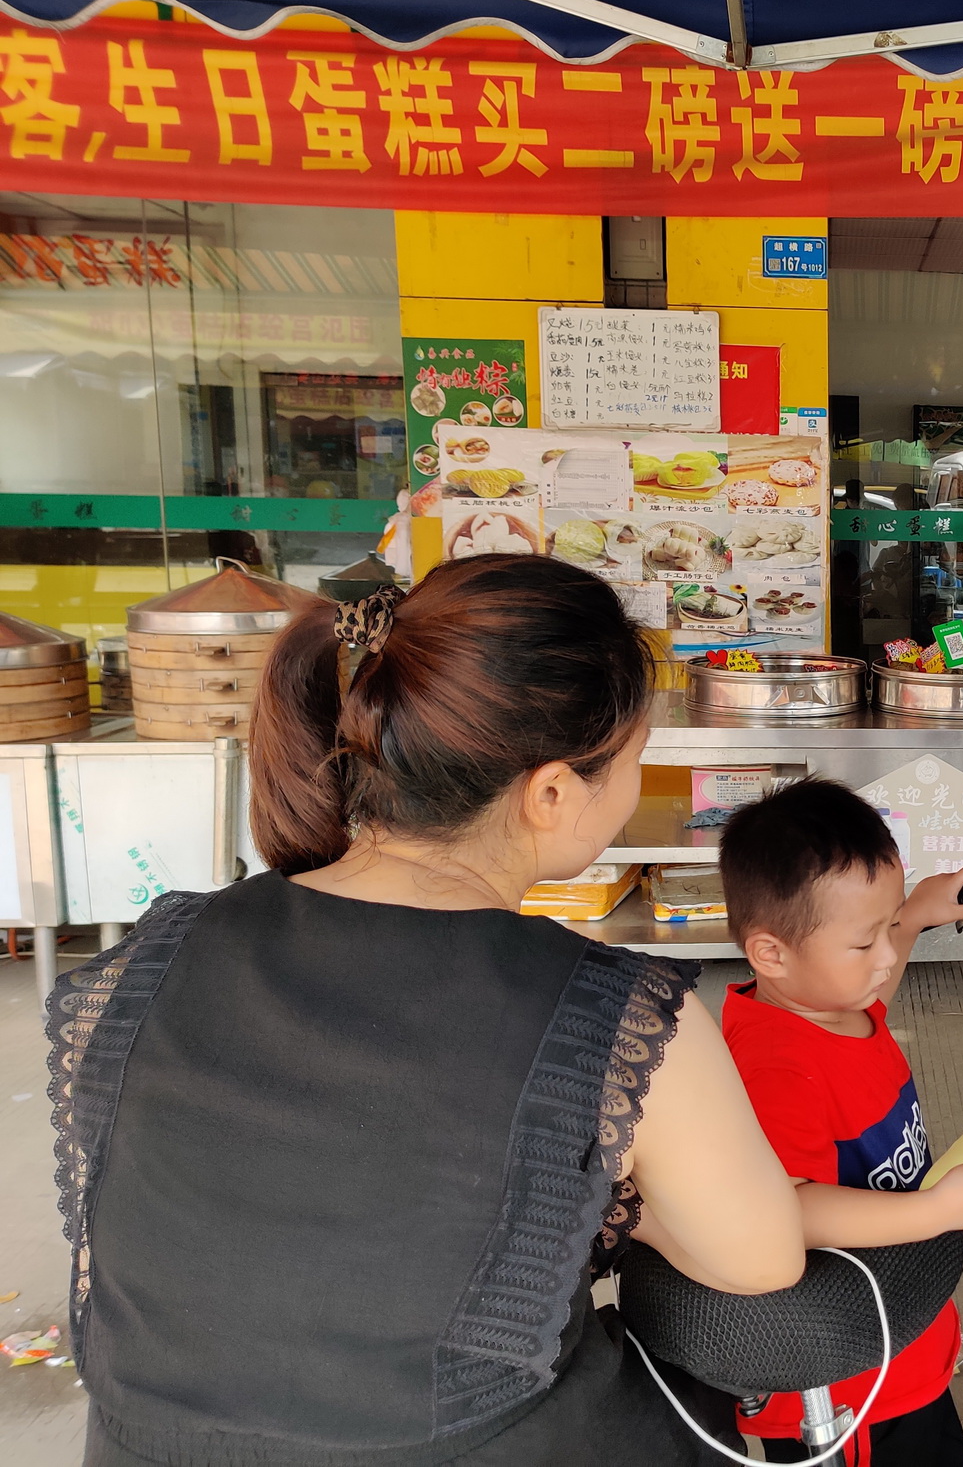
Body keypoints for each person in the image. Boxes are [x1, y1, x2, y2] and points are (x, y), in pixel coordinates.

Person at [47, 555, 805, 1466]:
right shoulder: (621, 1019)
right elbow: (758, 1262)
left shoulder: (149, 956)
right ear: (555, 791)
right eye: (636, 761)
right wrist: (601, 1190)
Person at [715, 778, 963, 1466]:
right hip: (847, 1383)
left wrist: (916, 918)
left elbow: (869, 1002)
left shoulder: (824, 1001)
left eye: (888, 923)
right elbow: (791, 1209)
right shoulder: (777, 1067)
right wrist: (936, 1211)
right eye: (862, 941)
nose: (883, 959)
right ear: (771, 954)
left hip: (899, 1327)